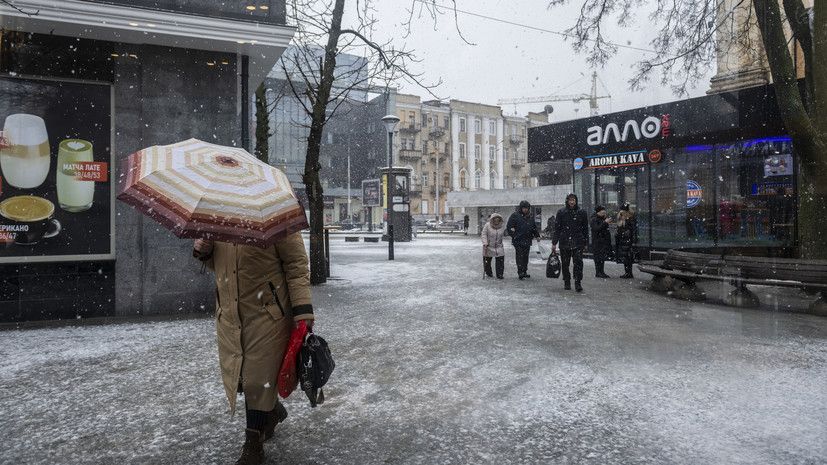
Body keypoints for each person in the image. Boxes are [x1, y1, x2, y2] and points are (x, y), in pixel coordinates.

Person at [193, 234, 315, 465]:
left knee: (257, 379)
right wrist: (205, 250)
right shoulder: (218, 216)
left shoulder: (277, 211)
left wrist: (303, 310)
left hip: (267, 314)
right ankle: (270, 412)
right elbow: (217, 265)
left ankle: (253, 445)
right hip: (230, 315)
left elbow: (296, 265)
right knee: (241, 375)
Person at [552, 193, 589, 292]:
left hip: (578, 241)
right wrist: (554, 243)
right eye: (570, 200)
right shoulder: (561, 212)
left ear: (576, 201)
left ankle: (578, 282)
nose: (572, 202)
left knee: (578, 263)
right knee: (565, 263)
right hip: (564, 241)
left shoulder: (582, 212)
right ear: (567, 201)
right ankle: (567, 281)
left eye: (574, 200)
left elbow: (585, 229)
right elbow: (557, 228)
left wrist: (585, 242)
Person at [506, 200, 540, 280]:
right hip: (518, 241)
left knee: (525, 257)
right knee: (520, 257)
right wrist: (514, 235)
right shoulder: (515, 216)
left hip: (527, 240)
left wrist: (537, 235)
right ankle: (520, 272)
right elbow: (509, 227)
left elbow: (534, 227)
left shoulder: (530, 217)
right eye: (524, 208)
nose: (525, 210)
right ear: (521, 208)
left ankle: (524, 271)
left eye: (527, 208)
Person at [616, 203, 638, 278]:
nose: (621, 213)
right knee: (625, 257)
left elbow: (633, 230)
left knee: (628, 257)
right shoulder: (623, 218)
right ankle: (627, 272)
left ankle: (629, 273)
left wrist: (632, 239)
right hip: (624, 240)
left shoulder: (631, 218)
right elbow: (620, 229)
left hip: (628, 240)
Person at [481, 213, 506, 279]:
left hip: (499, 246)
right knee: (487, 262)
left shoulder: (502, 226)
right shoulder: (487, 225)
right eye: (495, 220)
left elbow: (505, 233)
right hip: (488, 246)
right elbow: (484, 234)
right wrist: (485, 242)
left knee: (500, 260)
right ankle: (488, 273)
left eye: (498, 220)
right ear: (492, 220)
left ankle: (500, 274)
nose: (496, 221)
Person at [590, 205, 612, 278]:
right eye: (602, 211)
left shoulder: (602, 219)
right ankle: (598, 272)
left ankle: (601, 272)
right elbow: (596, 229)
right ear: (598, 212)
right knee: (598, 258)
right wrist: (605, 223)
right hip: (597, 242)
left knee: (602, 257)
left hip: (603, 241)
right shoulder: (594, 219)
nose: (604, 213)